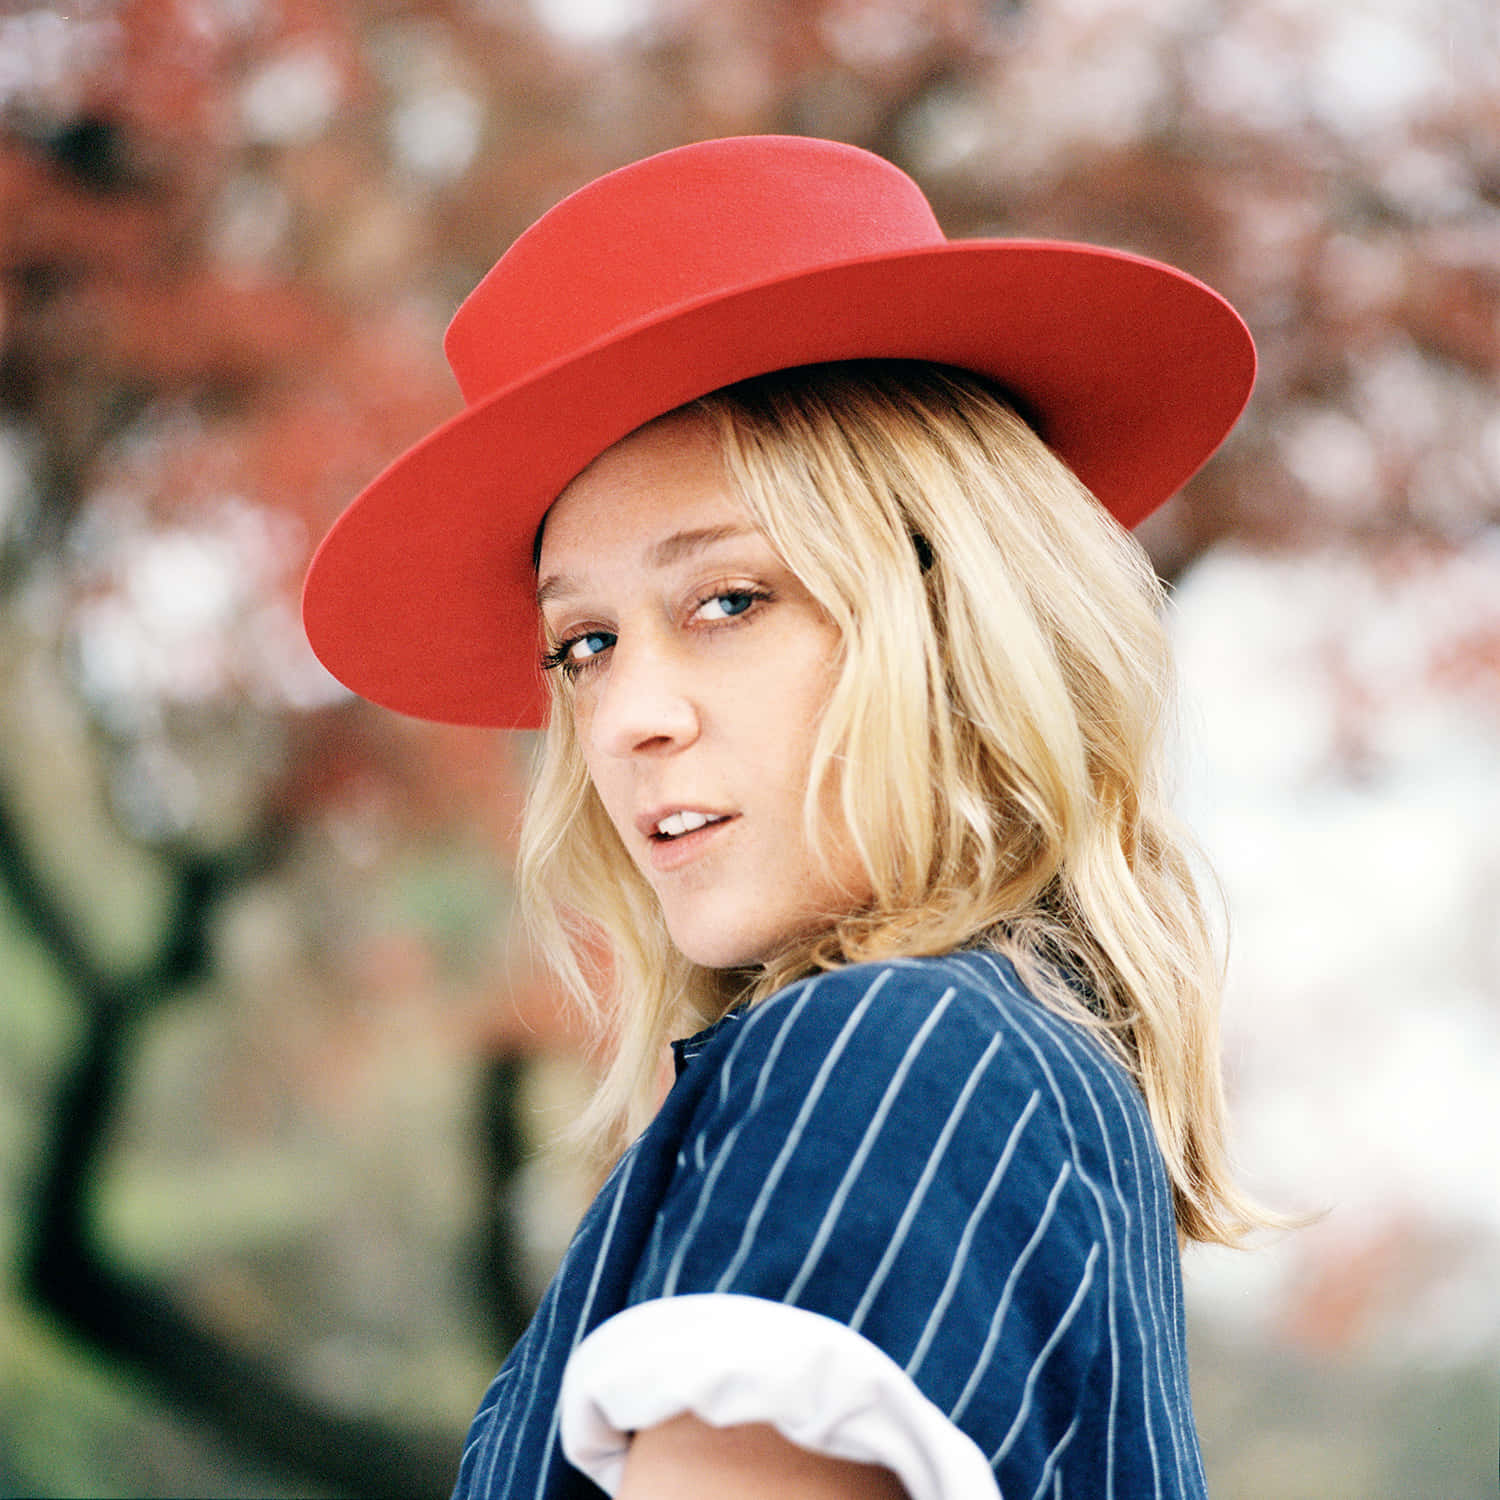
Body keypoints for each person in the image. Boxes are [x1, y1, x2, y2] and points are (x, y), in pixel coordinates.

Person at [303, 135, 1265, 1499]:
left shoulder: (892, 1058)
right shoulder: (995, 1064)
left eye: (728, 601)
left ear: (956, 622)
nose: (631, 713)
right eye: (583, 644)